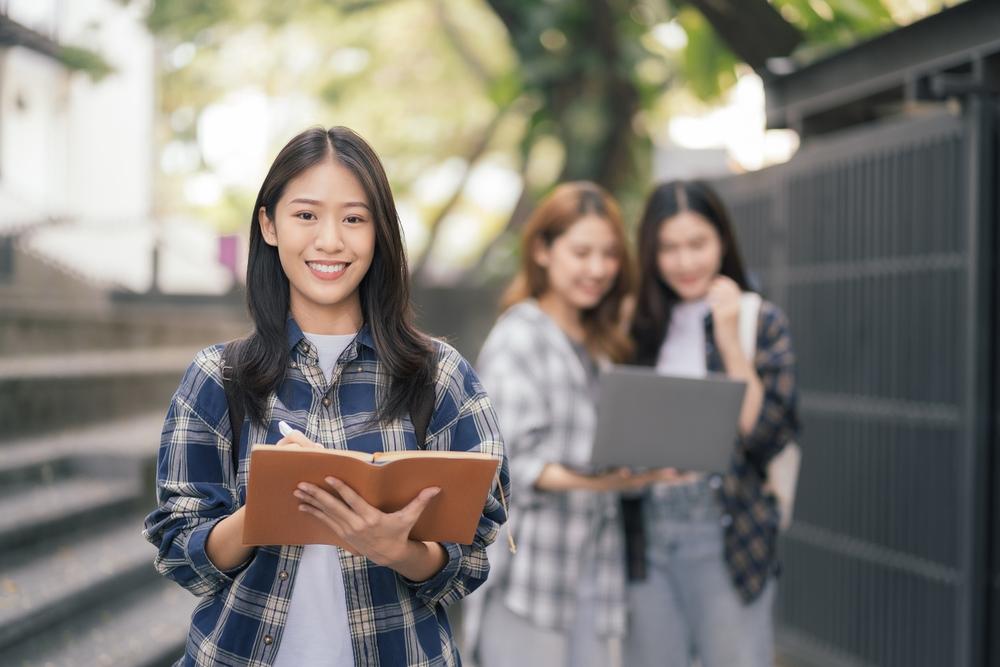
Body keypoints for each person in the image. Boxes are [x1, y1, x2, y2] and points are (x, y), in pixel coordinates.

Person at [143, 126, 510, 667]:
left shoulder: (441, 376)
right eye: (306, 215)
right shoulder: (218, 377)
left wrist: (400, 551)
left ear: (379, 232)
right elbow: (180, 554)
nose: (331, 240)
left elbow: (474, 553)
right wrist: (264, 508)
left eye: (355, 219)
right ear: (269, 225)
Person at [466, 181, 666, 667]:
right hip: (532, 574)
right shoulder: (520, 336)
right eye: (581, 252)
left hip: (598, 572)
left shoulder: (603, 345)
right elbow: (511, 467)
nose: (597, 269)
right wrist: (612, 482)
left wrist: (650, 466)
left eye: (609, 255)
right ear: (542, 250)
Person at [625, 180, 799, 667]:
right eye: (669, 248)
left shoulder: (758, 321)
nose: (685, 262)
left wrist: (728, 339)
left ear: (722, 240)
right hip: (647, 532)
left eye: (697, 244)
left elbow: (765, 435)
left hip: (727, 530)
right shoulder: (637, 325)